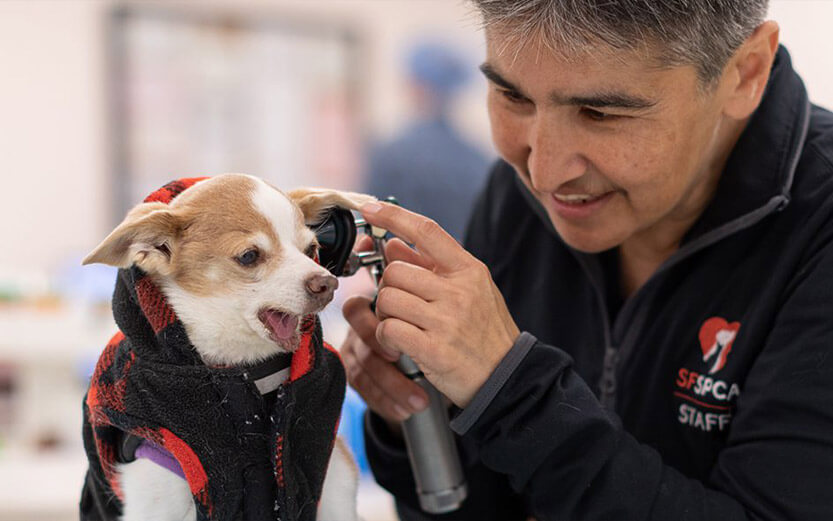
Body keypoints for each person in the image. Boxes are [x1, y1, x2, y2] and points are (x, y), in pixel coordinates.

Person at [341, 0, 833, 519]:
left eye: (601, 113)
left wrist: (509, 392)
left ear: (744, 71)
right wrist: (423, 420)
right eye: (513, 96)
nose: (545, 173)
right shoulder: (519, 194)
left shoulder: (819, 231)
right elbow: (478, 506)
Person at [364, 40, 491, 241]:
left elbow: (371, 224)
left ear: (417, 85)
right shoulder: (478, 160)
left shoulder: (391, 154)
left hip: (401, 267)